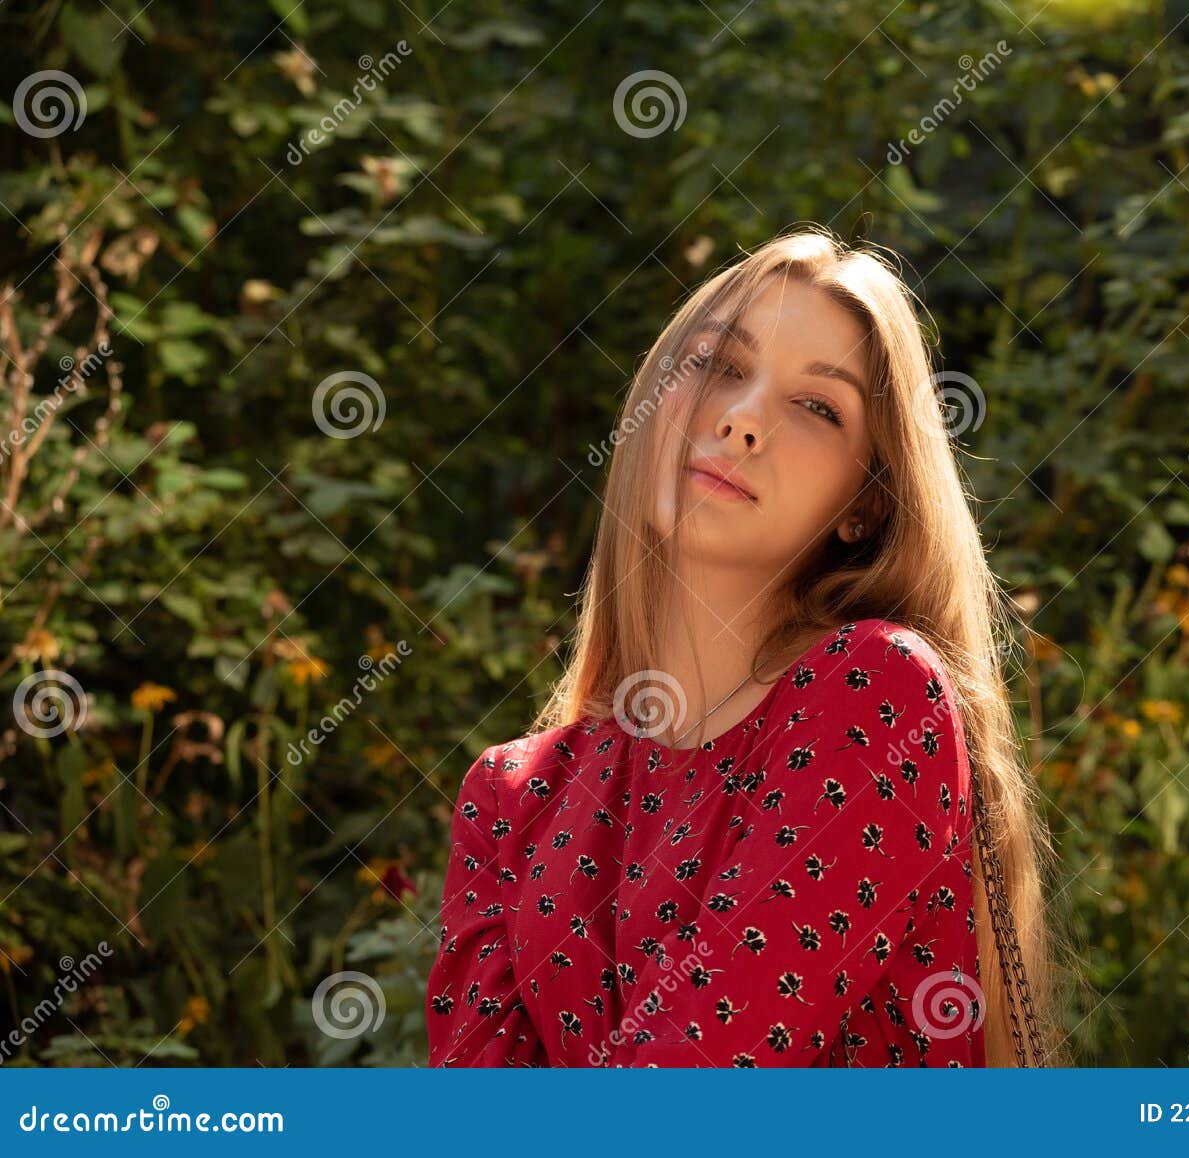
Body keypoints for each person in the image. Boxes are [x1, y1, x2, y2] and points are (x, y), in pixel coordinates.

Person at [425, 227, 1068, 1067]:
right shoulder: (511, 799)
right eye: (720, 365)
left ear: (865, 505)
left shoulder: (879, 693)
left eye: (817, 407)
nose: (742, 420)